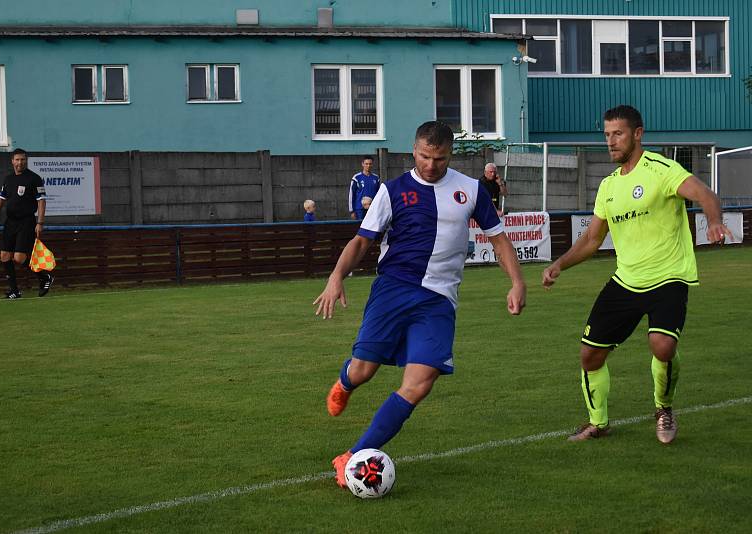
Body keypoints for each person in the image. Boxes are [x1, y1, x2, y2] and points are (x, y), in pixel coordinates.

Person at [314, 121, 526, 488]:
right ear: (414, 151)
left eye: (439, 159)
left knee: (421, 381)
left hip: (439, 300)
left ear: (450, 155)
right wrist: (336, 278)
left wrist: (517, 281)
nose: (431, 165)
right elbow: (361, 242)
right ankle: (346, 382)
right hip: (393, 290)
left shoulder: (471, 190)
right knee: (365, 370)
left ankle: (351, 457)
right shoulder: (392, 190)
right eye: (425, 157)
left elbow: (500, 240)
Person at [541, 105, 732, 444]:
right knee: (590, 354)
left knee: (662, 345)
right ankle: (597, 423)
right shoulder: (608, 186)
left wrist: (714, 220)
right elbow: (592, 239)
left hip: (668, 276)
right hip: (626, 280)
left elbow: (705, 194)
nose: (611, 142)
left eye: (618, 134)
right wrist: (560, 264)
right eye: (607, 135)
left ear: (638, 134)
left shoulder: (661, 169)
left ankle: (663, 408)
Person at [0, 148, 54, 298]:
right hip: (10, 222)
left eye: (23, 159)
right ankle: (14, 291)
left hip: (26, 222)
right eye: (17, 159)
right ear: (12, 161)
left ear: (26, 161)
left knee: (19, 258)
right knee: (4, 255)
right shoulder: (8, 179)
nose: (20, 162)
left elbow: (41, 201)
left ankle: (44, 277)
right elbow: (2, 197)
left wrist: (40, 222)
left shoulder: (34, 178)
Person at [348, 156, 380, 220]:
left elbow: (378, 195)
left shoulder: (376, 178)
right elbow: (351, 194)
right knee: (360, 228)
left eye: (370, 164)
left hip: (372, 209)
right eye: (366, 164)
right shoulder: (356, 178)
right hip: (360, 209)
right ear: (362, 164)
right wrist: (352, 211)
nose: (368, 166)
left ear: (372, 164)